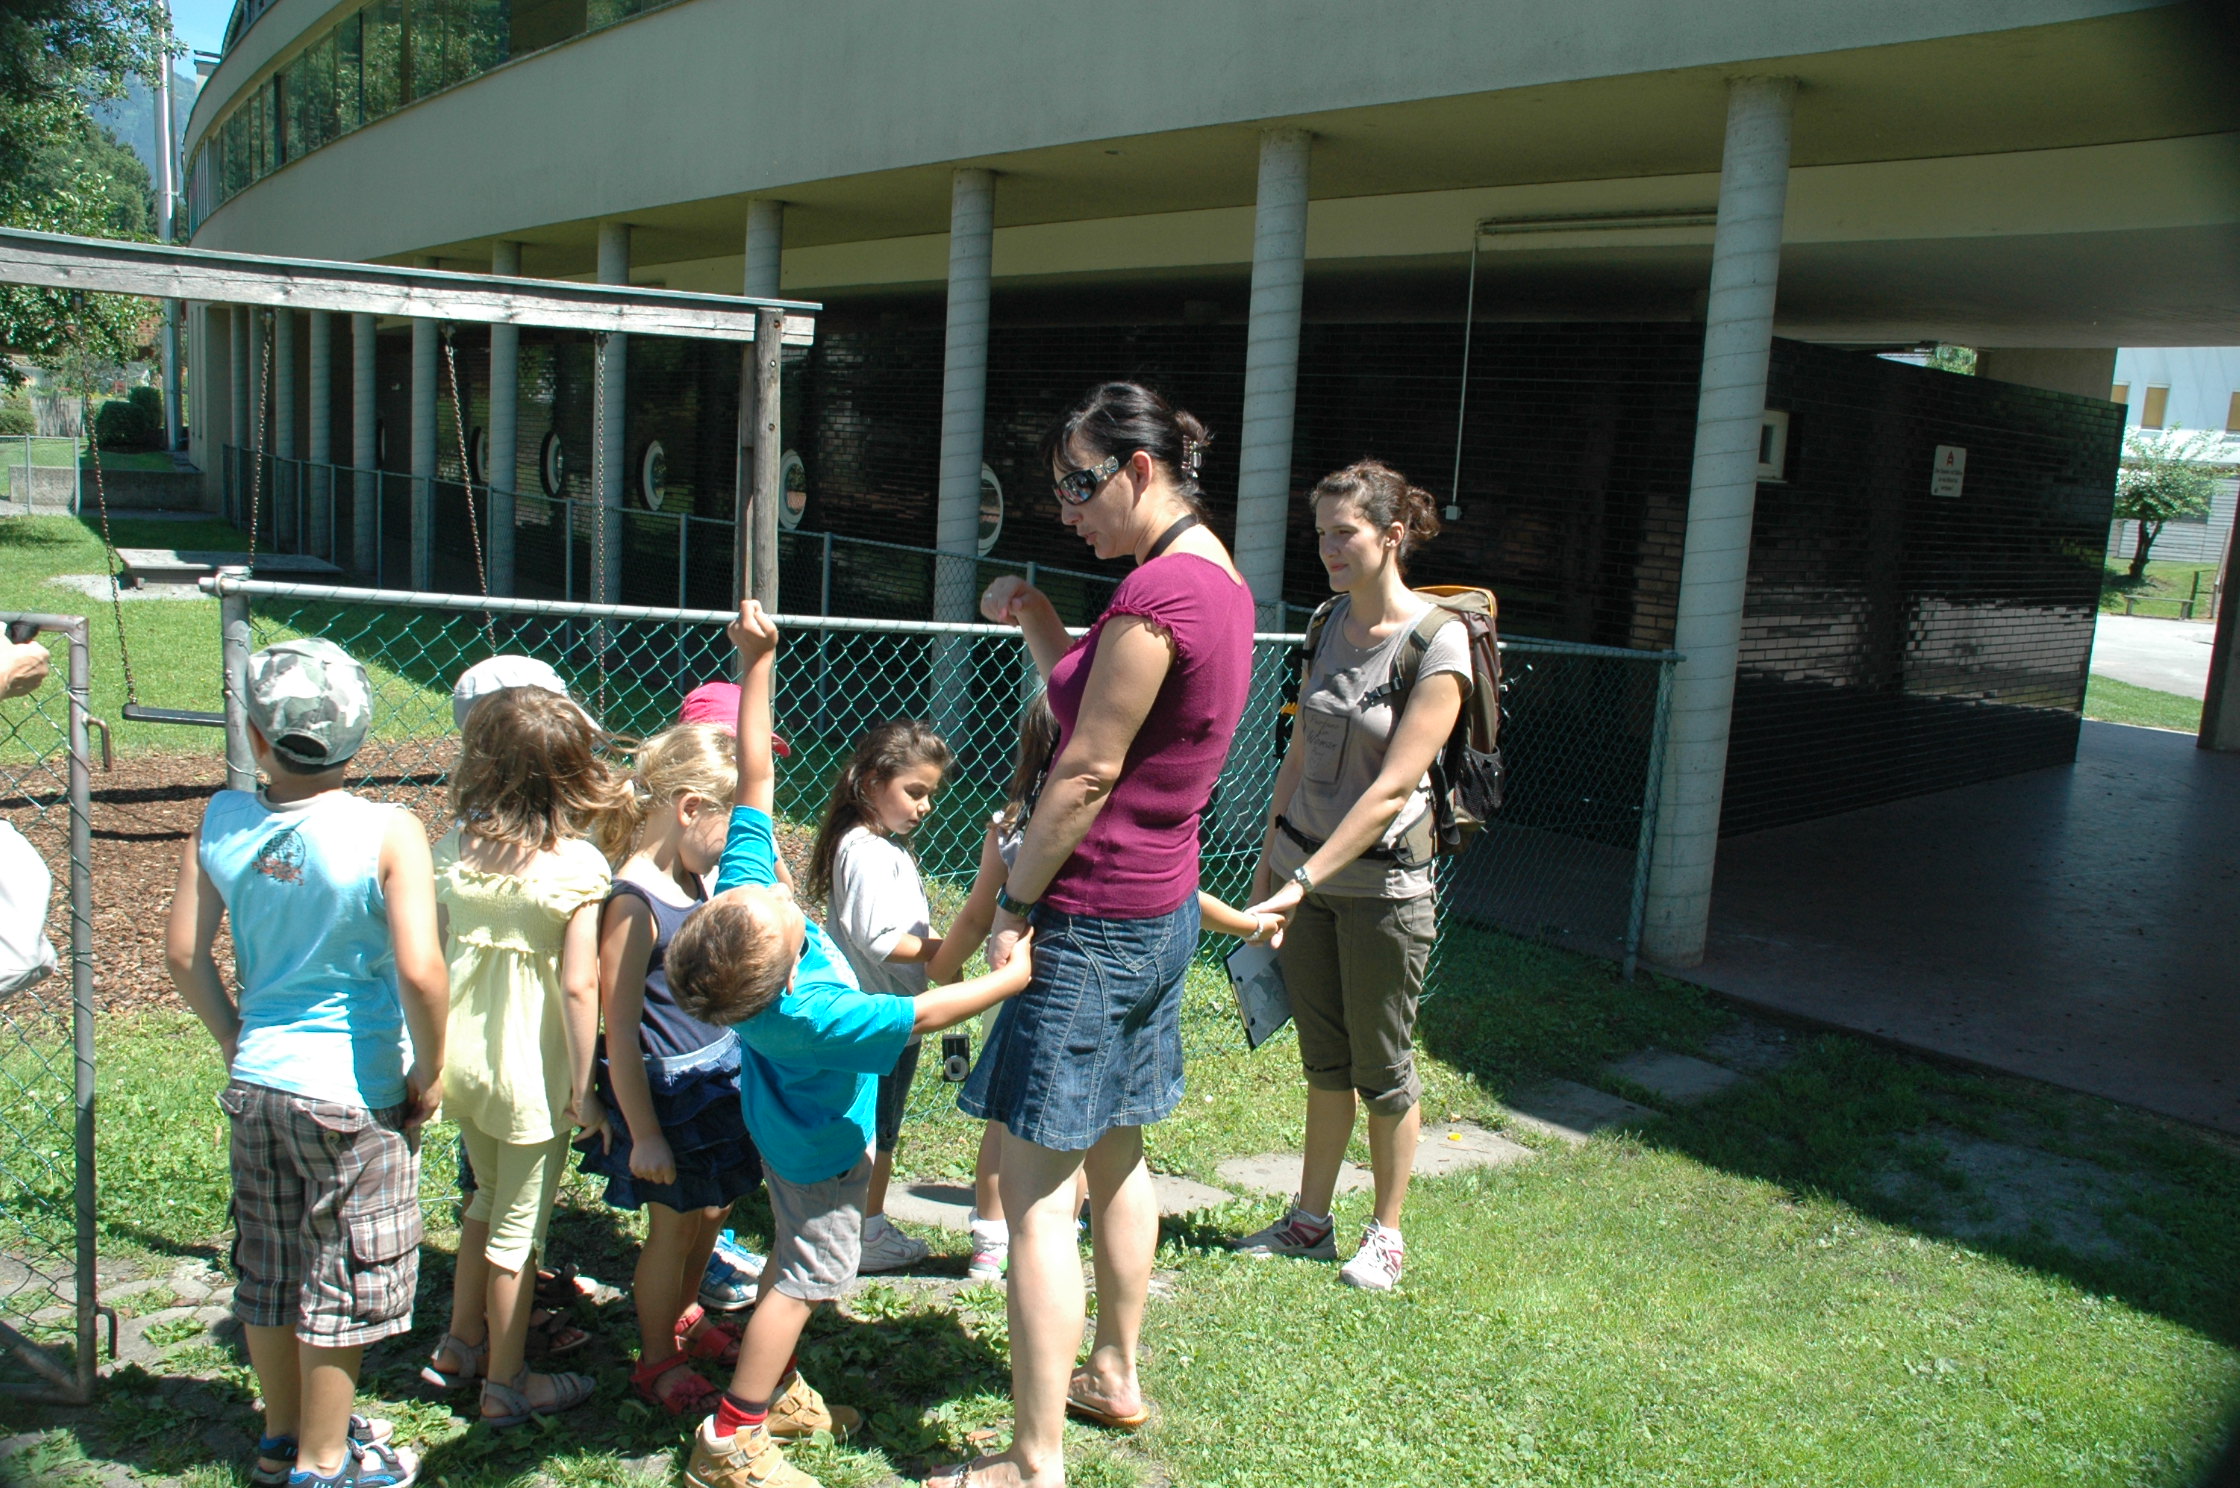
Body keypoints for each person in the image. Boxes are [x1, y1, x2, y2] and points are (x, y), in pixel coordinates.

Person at [929, 382, 1256, 1488]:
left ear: (1139, 469)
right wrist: (1038, 621)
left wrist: (1012, 905)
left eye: (1079, 483)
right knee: (1116, 1157)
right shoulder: (1214, 580)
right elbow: (1104, 710)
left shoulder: (1156, 596)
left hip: (1091, 925)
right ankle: (1111, 1370)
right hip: (1158, 917)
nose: (1065, 508)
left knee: (1032, 1202)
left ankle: (1033, 1462)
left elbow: (1085, 771)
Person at [666, 601, 1036, 1488]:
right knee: (803, 1278)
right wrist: (1012, 978)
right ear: (784, 961)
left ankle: (775, 1389)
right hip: (824, 1158)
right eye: (783, 909)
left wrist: (757, 661)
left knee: (788, 1263)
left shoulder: (741, 911)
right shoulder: (818, 1012)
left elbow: (754, 777)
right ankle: (732, 1436)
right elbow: (928, 1013)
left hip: (782, 1137)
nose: (779, 889)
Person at [164, 637, 447, 1488]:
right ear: (361, 733)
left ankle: (281, 1439)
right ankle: (326, 1466)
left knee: (270, 1268)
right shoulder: (390, 830)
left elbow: (183, 954)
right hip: (354, 1094)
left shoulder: (222, 819)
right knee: (343, 1278)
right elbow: (421, 971)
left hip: (259, 1083)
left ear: (255, 736)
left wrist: (233, 1039)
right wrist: (429, 1071)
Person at [930, 697, 1277, 1283]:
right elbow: (1188, 899)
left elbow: (975, 915)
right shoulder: (1118, 835)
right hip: (1071, 998)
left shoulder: (1009, 829)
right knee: (1088, 1129)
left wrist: (945, 969)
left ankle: (994, 1234)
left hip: (1014, 993)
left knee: (1011, 1126)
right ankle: (1046, 1231)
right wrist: (1250, 925)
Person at [1238, 460, 1471, 1292]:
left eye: (1346, 534)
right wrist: (1271, 864)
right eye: (1321, 535)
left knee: (1384, 1067)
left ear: (1393, 536)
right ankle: (1309, 1222)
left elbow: (1392, 790)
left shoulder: (1439, 642)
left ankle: (1387, 1234)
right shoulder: (1328, 620)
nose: (1328, 549)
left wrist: (1301, 882)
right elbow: (1299, 750)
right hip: (1303, 878)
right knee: (1324, 1061)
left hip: (1383, 893)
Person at [417, 685, 634, 1426]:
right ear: (572, 771)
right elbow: (579, 987)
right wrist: (586, 1090)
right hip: (532, 1078)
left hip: (463, 1064)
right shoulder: (577, 867)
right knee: (518, 1233)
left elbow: (433, 956)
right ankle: (507, 1384)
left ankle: (458, 1345)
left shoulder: (452, 850)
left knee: (482, 1201)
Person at [574, 722, 766, 1415]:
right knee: (673, 1226)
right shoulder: (632, 902)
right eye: (729, 824)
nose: (733, 843)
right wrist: (646, 1133)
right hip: (667, 1095)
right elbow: (620, 1032)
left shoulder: (693, 876)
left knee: (714, 1208)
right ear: (690, 808)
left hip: (716, 1077)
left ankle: (687, 1312)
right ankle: (656, 1357)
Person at [806, 719, 954, 1274]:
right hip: (882, 1019)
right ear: (871, 782)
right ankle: (865, 1234)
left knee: (868, 1124)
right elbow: (880, 939)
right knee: (879, 1131)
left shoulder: (870, 844)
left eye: (930, 794)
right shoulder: (870, 852)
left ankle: (841, 1223)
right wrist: (945, 947)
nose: (924, 806)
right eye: (914, 791)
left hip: (874, 1015)